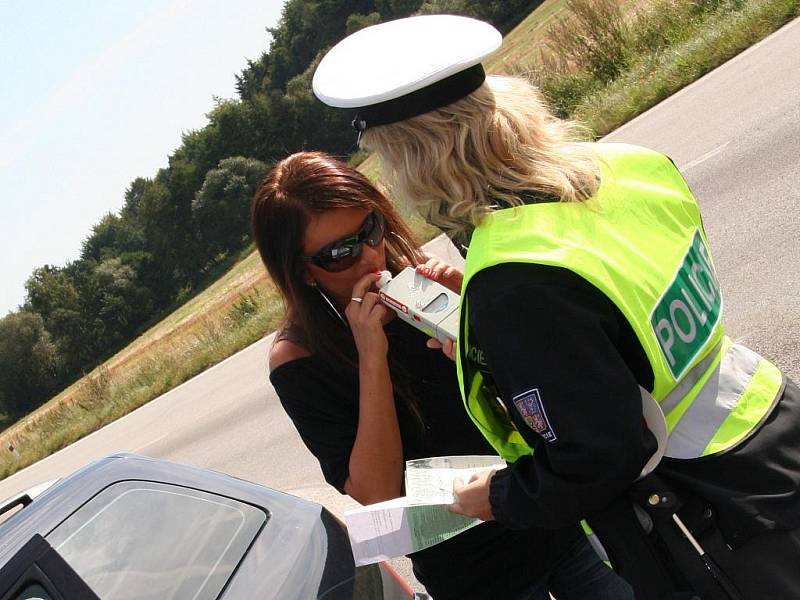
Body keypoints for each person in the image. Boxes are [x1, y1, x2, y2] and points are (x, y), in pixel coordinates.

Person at [310, 14, 800, 600]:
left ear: (418, 161)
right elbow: (621, 316)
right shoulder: (630, 164)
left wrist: (491, 497)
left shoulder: (513, 281)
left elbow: (598, 457)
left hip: (702, 513)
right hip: (772, 422)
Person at [251, 151, 635, 600]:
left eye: (370, 228)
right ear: (302, 272)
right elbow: (375, 492)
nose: (370, 256)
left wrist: (474, 307)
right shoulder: (298, 360)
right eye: (339, 253)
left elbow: (532, 391)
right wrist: (371, 356)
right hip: (474, 574)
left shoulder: (416, 278)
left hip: (543, 512)